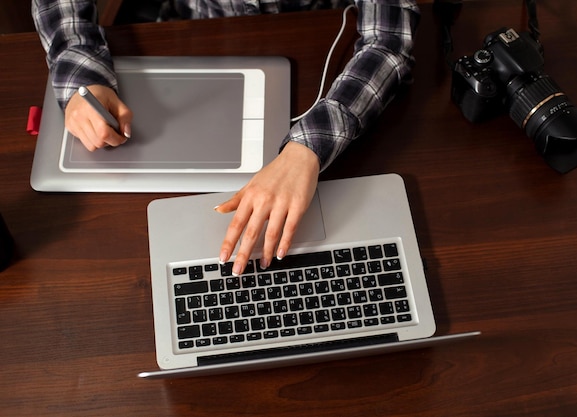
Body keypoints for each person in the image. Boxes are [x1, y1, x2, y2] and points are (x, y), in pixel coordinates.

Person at [32, 0, 420, 275]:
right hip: (191, 36)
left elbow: (388, 42)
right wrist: (80, 66)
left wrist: (306, 148)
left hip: (312, 36)